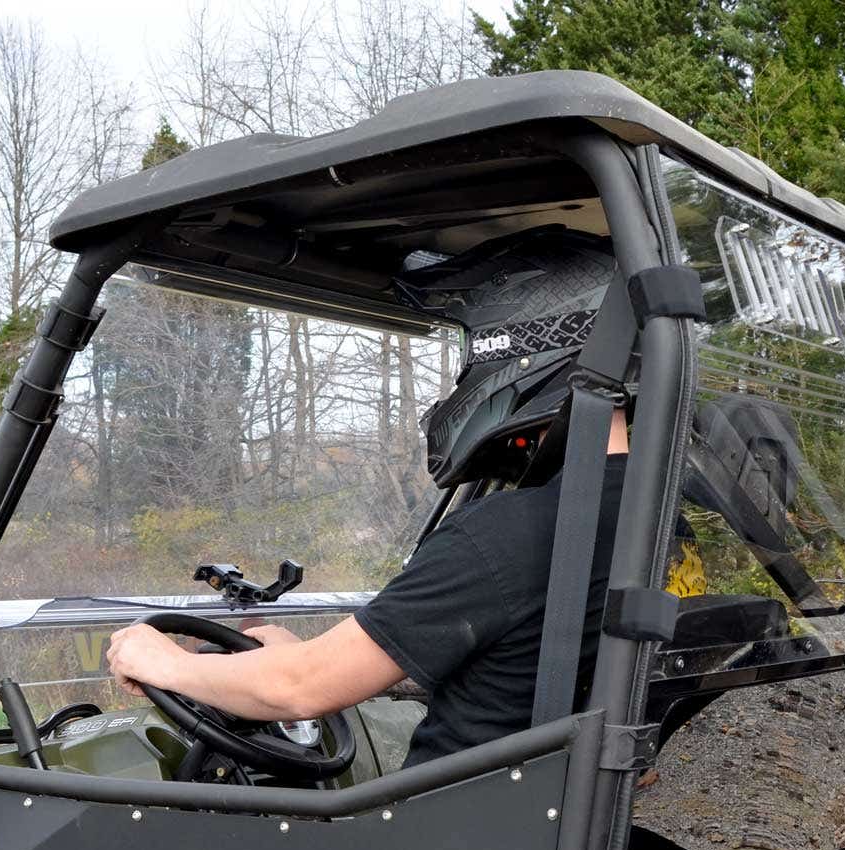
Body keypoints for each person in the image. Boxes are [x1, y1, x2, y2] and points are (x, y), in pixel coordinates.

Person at [106, 225, 631, 769]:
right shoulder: (652, 522)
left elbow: (299, 690)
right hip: (548, 819)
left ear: (522, 347)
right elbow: (518, 666)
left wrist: (164, 662)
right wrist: (304, 657)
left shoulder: (514, 532)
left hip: (437, 833)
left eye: (470, 352)